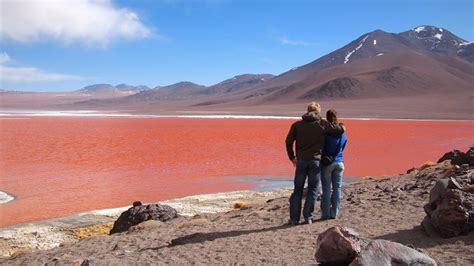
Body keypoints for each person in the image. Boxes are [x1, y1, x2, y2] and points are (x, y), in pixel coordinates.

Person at [285, 102, 345, 225]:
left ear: (307, 110)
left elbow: (288, 141)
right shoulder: (323, 124)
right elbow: (338, 130)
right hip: (315, 162)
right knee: (313, 189)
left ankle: (294, 219)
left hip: (301, 161)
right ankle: (308, 217)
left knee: (298, 190)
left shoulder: (297, 125)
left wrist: (292, 157)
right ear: (318, 112)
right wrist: (343, 126)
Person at [321, 109, 347, 220]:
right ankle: (334, 213)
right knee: (337, 189)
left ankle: (326, 214)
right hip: (339, 163)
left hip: (327, 163)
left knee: (326, 189)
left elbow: (321, 147)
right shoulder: (343, 134)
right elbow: (343, 147)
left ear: (327, 118)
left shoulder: (325, 133)